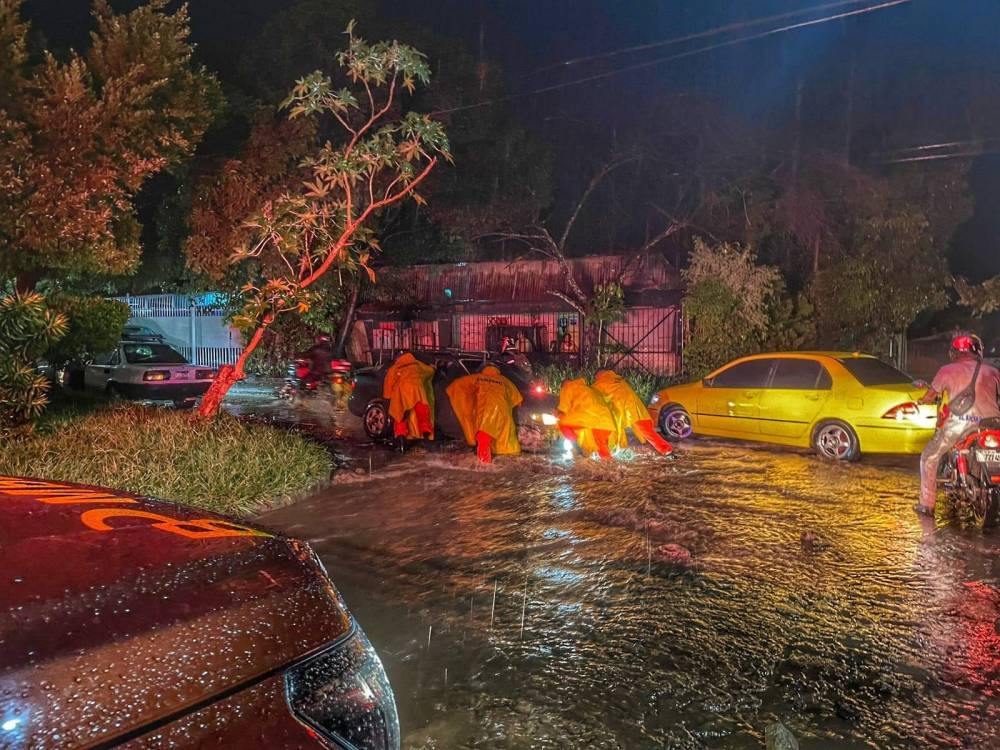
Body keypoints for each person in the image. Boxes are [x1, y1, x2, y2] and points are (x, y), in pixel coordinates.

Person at [915, 333, 1000, 516]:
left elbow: (931, 395)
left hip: (960, 424)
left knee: (929, 456)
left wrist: (922, 400)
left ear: (954, 353)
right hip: (992, 425)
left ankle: (927, 504)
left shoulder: (946, 370)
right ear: (978, 351)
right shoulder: (992, 371)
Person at [447, 364, 524, 463]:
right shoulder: (505, 381)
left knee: (483, 440)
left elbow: (456, 386)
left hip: (486, 415)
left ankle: (484, 466)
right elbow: (518, 400)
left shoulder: (478, 378)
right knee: (506, 442)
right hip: (504, 417)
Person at [592, 369, 674, 457]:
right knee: (648, 431)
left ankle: (605, 457)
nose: (596, 378)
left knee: (600, 435)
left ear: (598, 375)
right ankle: (667, 450)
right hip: (633, 409)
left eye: (596, 377)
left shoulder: (599, 384)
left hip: (616, 410)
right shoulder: (619, 380)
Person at [382, 352, 436, 446]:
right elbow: (429, 371)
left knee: (400, 418)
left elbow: (388, 387)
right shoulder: (417, 364)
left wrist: (388, 400)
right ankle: (426, 440)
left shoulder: (394, 368)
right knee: (423, 416)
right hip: (418, 393)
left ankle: (401, 442)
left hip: (400, 394)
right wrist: (433, 368)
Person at [557, 377, 618, 459]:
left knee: (563, 424)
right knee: (603, 449)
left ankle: (577, 449)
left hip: (587, 417)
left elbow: (563, 409)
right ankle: (610, 464)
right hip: (606, 421)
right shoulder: (588, 389)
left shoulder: (568, 387)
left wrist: (557, 414)